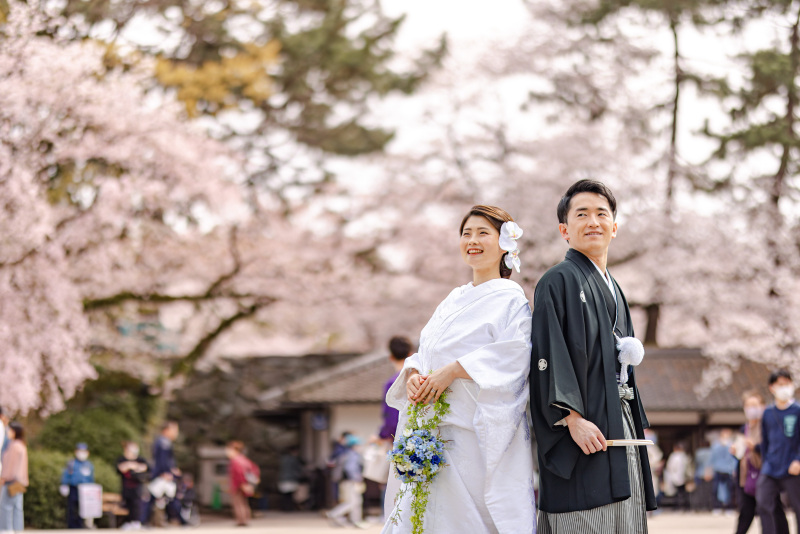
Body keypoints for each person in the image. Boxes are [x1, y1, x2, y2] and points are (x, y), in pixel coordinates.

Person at [382, 205, 535, 533]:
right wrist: (412, 374)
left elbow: (515, 355)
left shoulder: (512, 300)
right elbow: (426, 349)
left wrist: (454, 370)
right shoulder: (454, 298)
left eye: (483, 233)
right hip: (431, 428)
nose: (472, 240)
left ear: (505, 243)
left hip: (471, 429)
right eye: (466, 233)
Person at [530, 179, 656, 534]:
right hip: (581, 428)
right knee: (585, 514)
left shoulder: (614, 287)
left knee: (625, 514)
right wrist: (571, 417)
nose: (593, 222)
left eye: (602, 214)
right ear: (564, 230)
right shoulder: (557, 280)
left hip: (619, 421)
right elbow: (547, 354)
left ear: (614, 228)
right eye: (581, 214)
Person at [733, 390, 789, 534]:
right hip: (747, 474)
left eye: (754, 405)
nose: (751, 409)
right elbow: (741, 454)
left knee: (771, 509)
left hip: (766, 472)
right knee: (746, 511)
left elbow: (775, 447)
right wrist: (736, 451)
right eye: (748, 405)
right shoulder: (744, 428)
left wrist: (756, 447)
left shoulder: (770, 424)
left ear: (763, 406)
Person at [756, 369, 800, 534]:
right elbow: (765, 441)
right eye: (780, 384)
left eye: (787, 384)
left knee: (798, 506)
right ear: (772, 387)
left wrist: (798, 460)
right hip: (771, 467)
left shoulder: (797, 410)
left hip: (793, 467)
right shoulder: (767, 413)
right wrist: (765, 462)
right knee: (763, 502)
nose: (784, 388)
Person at [146, 421, 183, 526]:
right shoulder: (163, 443)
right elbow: (162, 460)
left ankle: (177, 520)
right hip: (161, 475)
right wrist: (166, 472)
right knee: (156, 498)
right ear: (166, 430)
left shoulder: (163, 442)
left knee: (164, 498)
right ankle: (179, 520)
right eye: (174, 430)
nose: (176, 433)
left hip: (162, 474)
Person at [327, 434, 367, 528]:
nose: (360, 447)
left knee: (355, 501)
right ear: (354, 445)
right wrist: (357, 479)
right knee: (353, 502)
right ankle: (334, 514)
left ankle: (356, 521)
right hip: (351, 481)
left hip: (345, 481)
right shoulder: (353, 454)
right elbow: (350, 468)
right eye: (358, 445)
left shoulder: (345, 453)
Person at [0, 422, 27, 533]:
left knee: (6, 507)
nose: (8, 432)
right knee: (17, 508)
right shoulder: (21, 445)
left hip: (11, 481)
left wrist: (3, 478)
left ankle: (6, 530)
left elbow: (9, 465)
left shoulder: (13, 446)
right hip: (20, 481)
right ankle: (18, 530)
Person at [116, 441, 149, 531]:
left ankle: (137, 522)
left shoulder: (140, 459)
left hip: (137, 488)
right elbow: (120, 468)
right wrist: (131, 465)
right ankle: (129, 522)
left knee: (137, 505)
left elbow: (147, 467)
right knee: (128, 505)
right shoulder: (122, 459)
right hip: (126, 488)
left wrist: (131, 465)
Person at [61, 442, 95, 529]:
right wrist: (64, 484)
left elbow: (91, 478)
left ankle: (81, 525)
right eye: (80, 451)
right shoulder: (72, 463)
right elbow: (66, 474)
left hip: (85, 490)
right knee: (72, 507)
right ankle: (72, 526)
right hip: (74, 488)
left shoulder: (89, 465)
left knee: (83, 508)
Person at [226, 441, 260, 526]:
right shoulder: (244, 459)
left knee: (238, 503)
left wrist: (242, 483)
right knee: (244, 503)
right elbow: (254, 468)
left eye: (228, 450)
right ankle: (245, 519)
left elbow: (239, 473)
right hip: (245, 484)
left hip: (238, 484)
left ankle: (241, 521)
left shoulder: (235, 460)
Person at [711, 428, 738, 514]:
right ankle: (717, 507)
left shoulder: (732, 445)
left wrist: (734, 469)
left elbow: (734, 459)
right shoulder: (716, 446)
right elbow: (712, 458)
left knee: (730, 489)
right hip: (718, 469)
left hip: (728, 470)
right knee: (716, 489)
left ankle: (729, 507)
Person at [662, 442, 691, 511]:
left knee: (677, 493)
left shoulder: (674, 456)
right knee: (682, 493)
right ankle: (683, 506)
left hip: (674, 477)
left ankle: (678, 506)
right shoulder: (684, 456)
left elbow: (670, 467)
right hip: (682, 477)